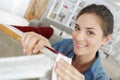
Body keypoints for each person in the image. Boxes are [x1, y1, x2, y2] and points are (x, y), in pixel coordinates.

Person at [20, 4, 114, 80]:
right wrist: (45, 50)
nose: (78, 37)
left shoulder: (101, 78)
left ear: (106, 40)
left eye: (90, 32)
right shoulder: (66, 45)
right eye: (77, 28)